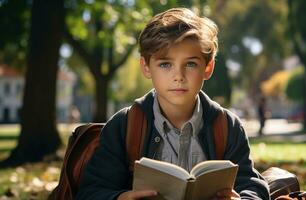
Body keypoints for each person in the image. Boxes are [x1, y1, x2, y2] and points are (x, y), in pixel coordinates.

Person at [76, 7, 269, 200]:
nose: (179, 76)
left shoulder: (227, 126)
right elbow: (91, 192)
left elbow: (253, 186)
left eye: (191, 64)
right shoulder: (124, 125)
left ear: (208, 68)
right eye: (165, 64)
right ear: (146, 67)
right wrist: (122, 198)